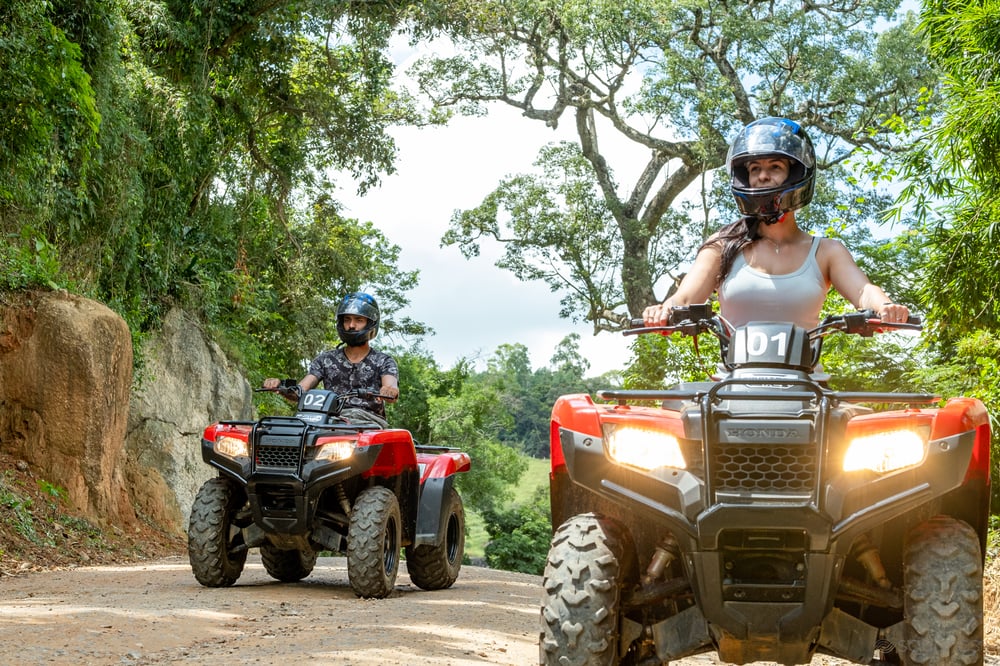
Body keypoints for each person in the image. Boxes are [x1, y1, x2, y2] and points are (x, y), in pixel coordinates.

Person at [643, 116, 909, 331]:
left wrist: (885, 306)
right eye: (754, 169)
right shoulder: (723, 246)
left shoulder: (826, 252)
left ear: (794, 174)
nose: (762, 176)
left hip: (808, 388)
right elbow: (686, 298)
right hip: (731, 385)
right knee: (676, 399)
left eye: (774, 167)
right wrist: (666, 308)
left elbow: (864, 291)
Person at [263, 292, 399, 428]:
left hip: (369, 424)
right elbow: (301, 390)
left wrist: (389, 390)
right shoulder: (325, 359)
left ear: (370, 324)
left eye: (359, 320)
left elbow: (390, 386)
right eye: (347, 319)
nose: (351, 325)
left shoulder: (384, 361)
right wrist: (280, 386)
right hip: (327, 423)